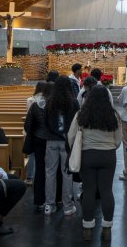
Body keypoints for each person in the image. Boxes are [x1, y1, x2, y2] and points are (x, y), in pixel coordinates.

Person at [69, 85, 122, 241]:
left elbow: (71, 136)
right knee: (106, 191)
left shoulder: (82, 114)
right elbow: (118, 141)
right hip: (108, 156)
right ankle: (107, 226)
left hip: (87, 156)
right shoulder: (113, 115)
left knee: (89, 191)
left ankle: (88, 228)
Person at [44, 77, 77, 215]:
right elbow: (77, 121)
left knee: (50, 172)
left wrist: (53, 131)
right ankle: (68, 206)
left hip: (51, 139)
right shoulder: (73, 102)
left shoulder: (50, 102)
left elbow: (45, 121)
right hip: (67, 141)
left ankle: (49, 205)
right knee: (67, 173)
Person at [24, 81, 53, 208]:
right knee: (52, 170)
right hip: (52, 140)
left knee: (40, 169)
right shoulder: (54, 105)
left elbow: (28, 124)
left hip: (38, 140)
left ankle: (39, 199)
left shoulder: (35, 105)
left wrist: (34, 133)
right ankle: (53, 199)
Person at [24, 82, 47, 185]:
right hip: (40, 131)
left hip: (31, 130)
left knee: (31, 155)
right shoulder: (46, 100)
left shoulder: (30, 99)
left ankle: (30, 177)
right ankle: (40, 176)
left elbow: (28, 116)